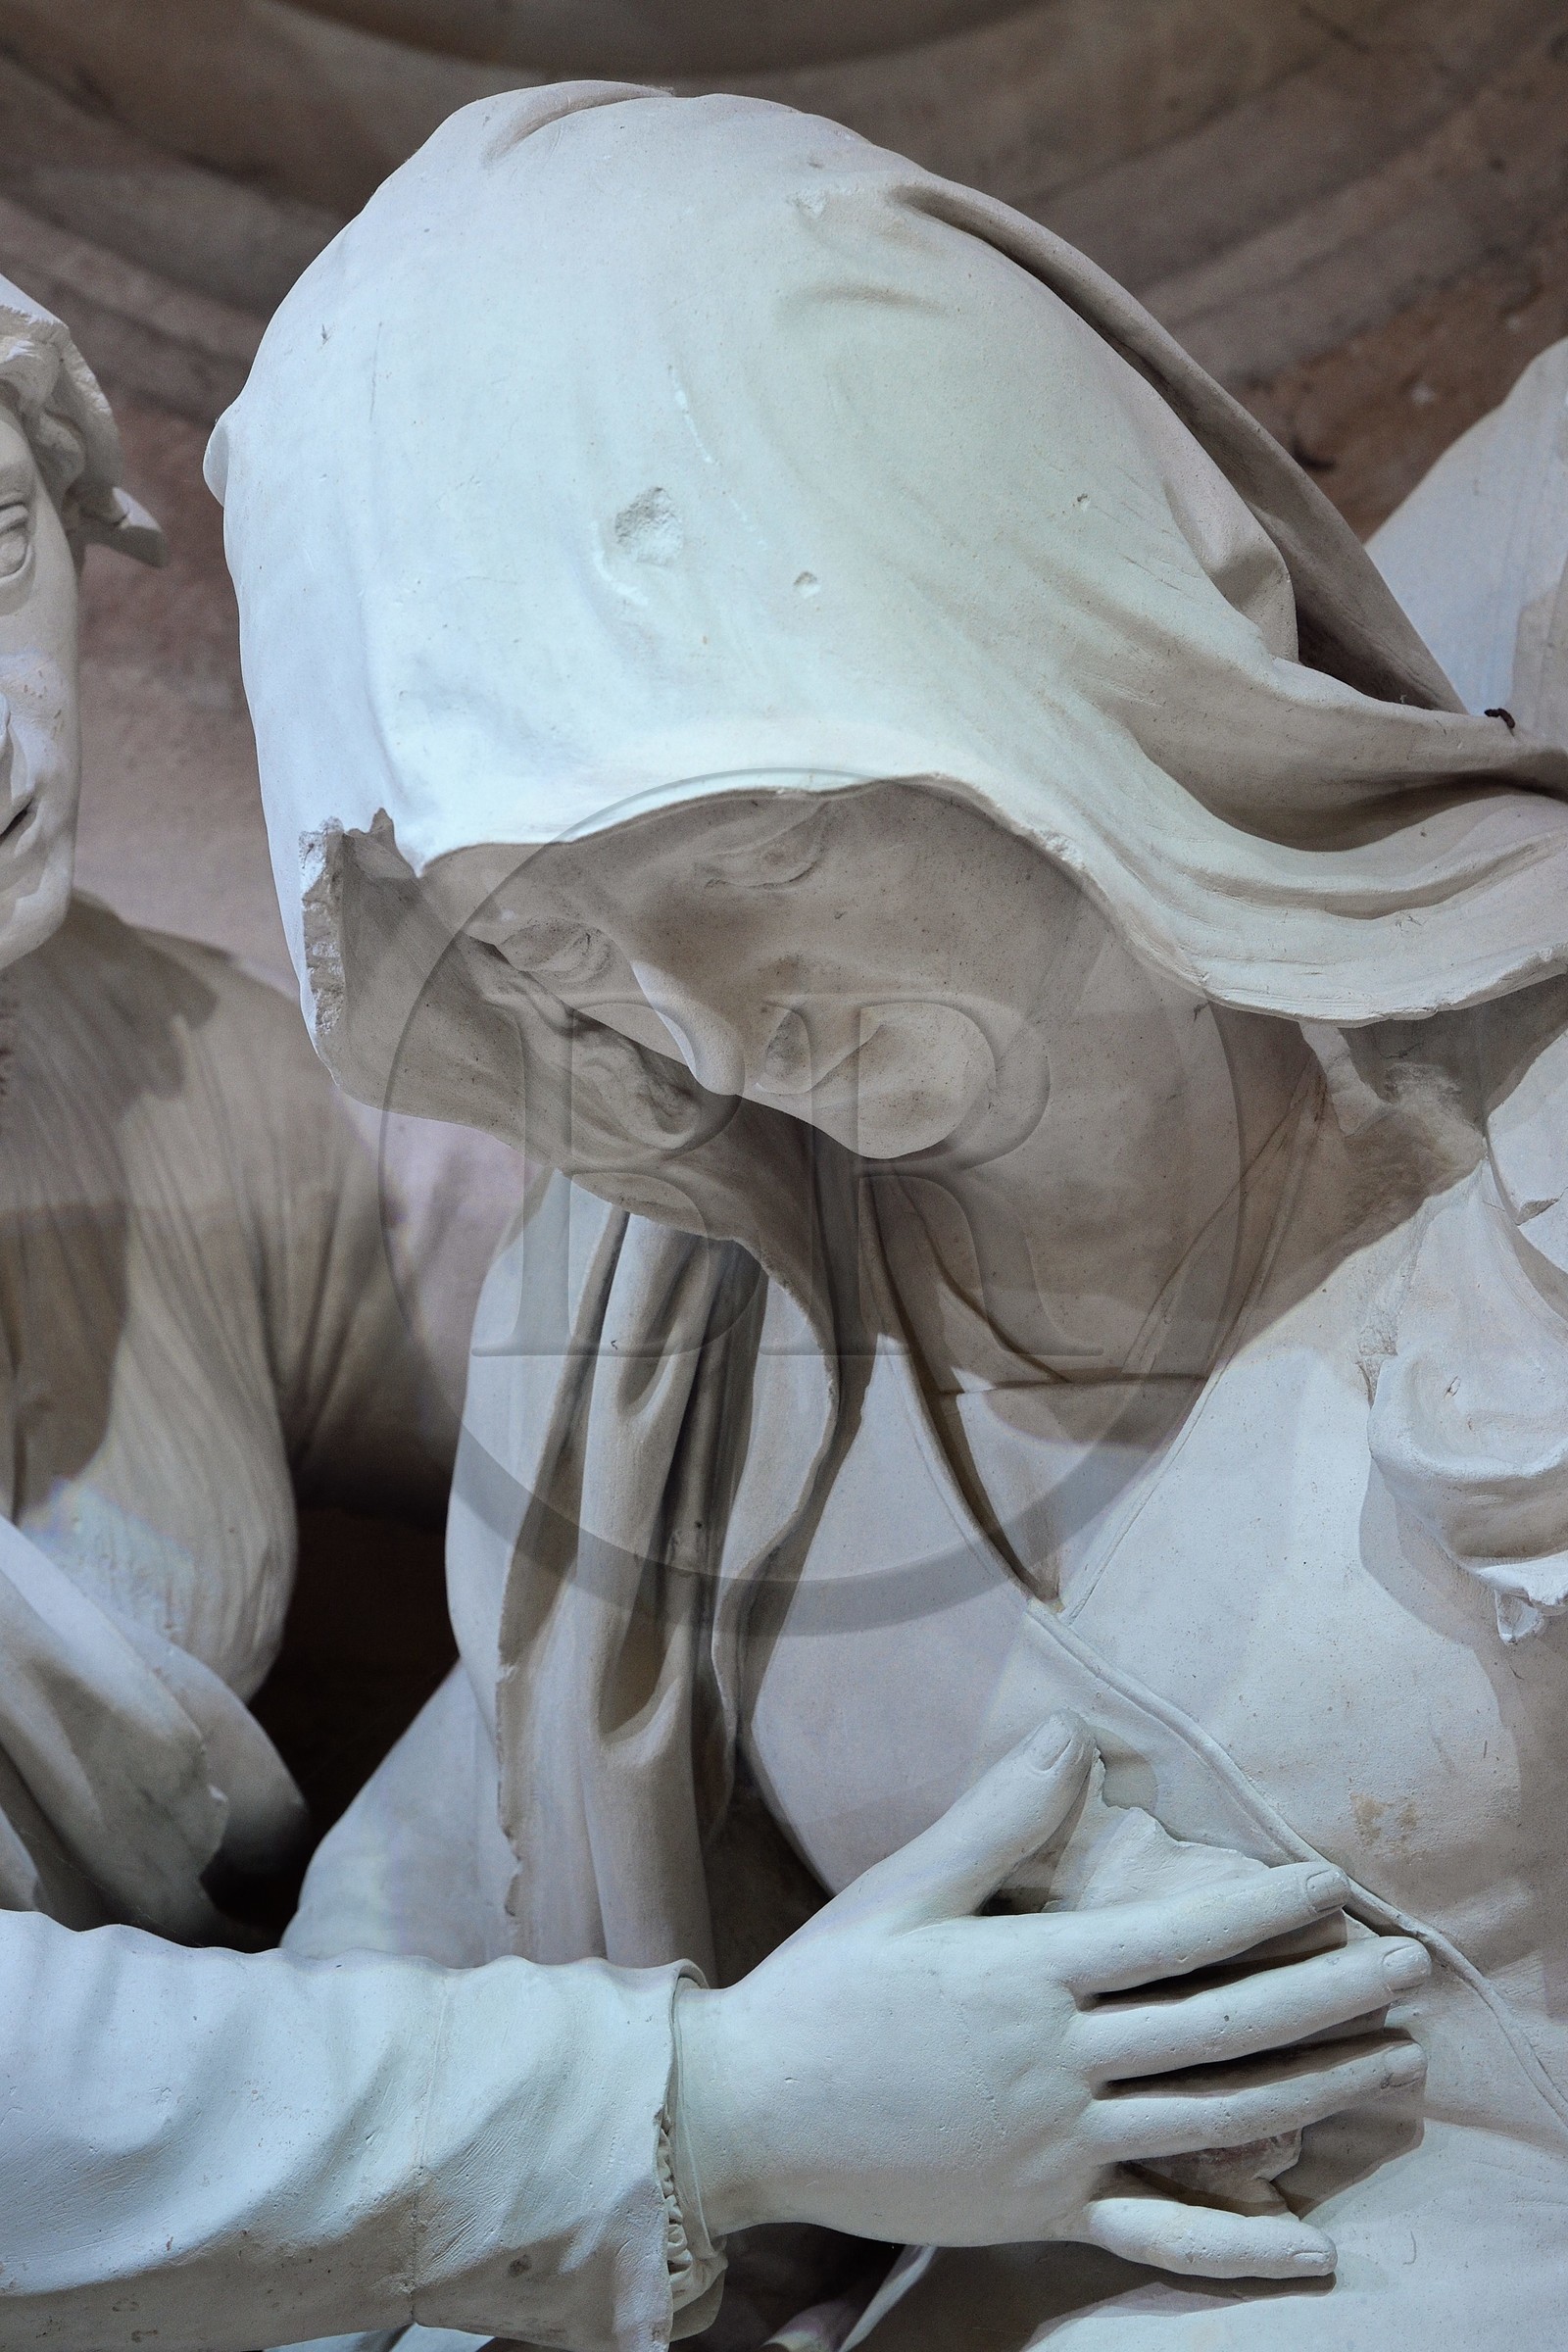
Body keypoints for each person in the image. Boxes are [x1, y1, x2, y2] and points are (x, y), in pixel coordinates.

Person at [208, 82, 1568, 2351]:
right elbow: (427, 1951)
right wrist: (708, 2129)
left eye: (747, 865)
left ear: (1048, 640)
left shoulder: (1518, 1173)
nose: (688, 1016)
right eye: (556, 955)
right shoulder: (685, 1330)